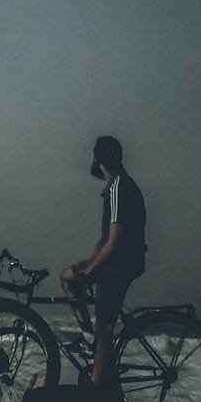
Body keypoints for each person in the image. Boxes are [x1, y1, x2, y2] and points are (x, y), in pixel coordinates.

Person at [61, 135, 147, 388]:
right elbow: (104, 240)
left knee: (105, 325)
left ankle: (97, 389)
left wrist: (92, 271)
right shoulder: (113, 187)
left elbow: (114, 241)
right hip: (114, 258)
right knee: (68, 276)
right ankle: (90, 340)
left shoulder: (120, 187)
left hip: (122, 262)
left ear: (98, 159)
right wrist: (87, 266)